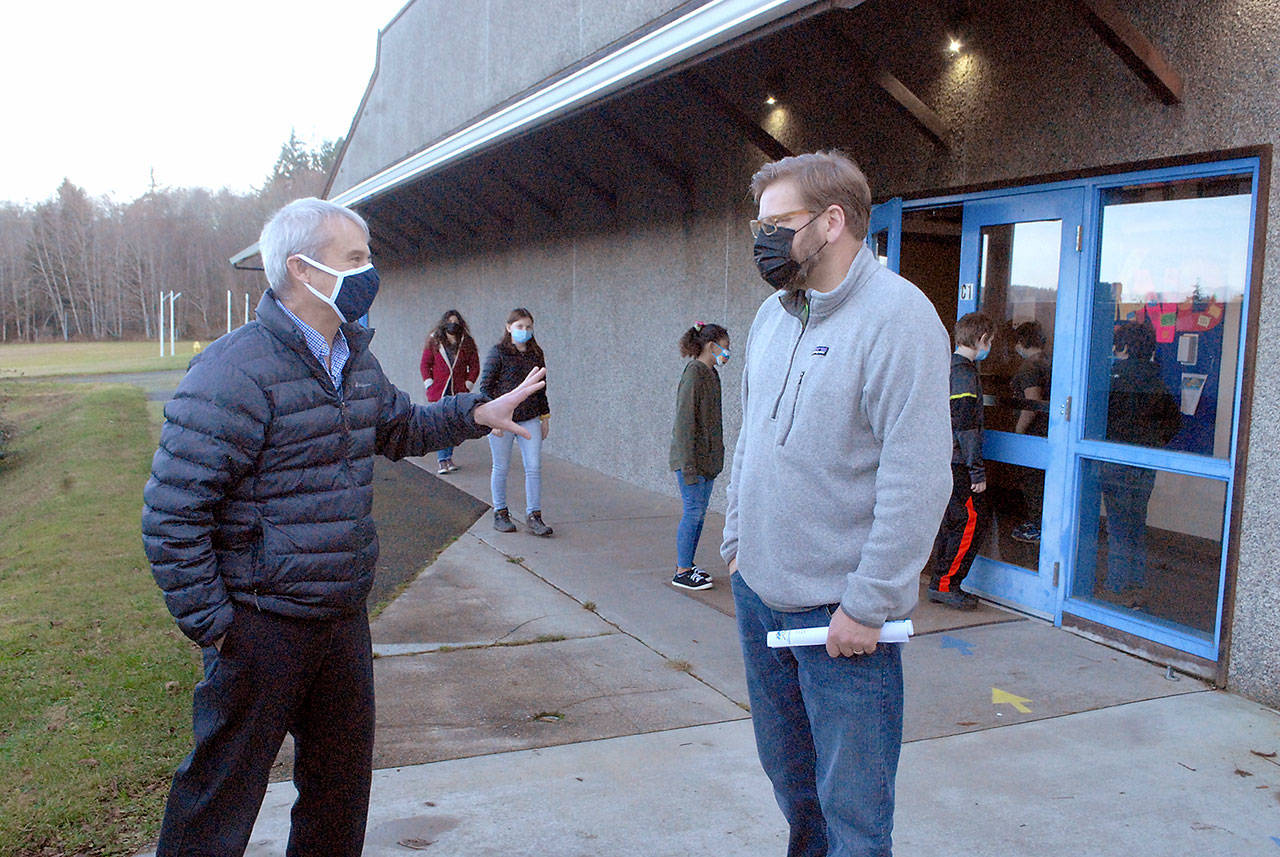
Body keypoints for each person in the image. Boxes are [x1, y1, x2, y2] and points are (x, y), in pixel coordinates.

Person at [140, 197, 545, 857]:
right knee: (219, 797)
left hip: (342, 618)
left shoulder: (354, 358)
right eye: (355, 258)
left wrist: (474, 412)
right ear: (303, 269)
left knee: (339, 794)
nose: (369, 272)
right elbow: (172, 512)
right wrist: (215, 624)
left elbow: (399, 426)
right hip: (260, 623)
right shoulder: (231, 371)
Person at [723, 150, 952, 857]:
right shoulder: (772, 316)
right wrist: (736, 542)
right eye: (758, 225)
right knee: (794, 789)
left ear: (831, 221)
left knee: (854, 814)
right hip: (760, 596)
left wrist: (869, 602)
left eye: (777, 223)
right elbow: (752, 438)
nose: (763, 239)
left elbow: (917, 479)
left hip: (840, 619)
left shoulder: (899, 318)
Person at [1099, 320, 1181, 606]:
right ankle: (1136, 584)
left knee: (1118, 526)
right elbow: (1173, 422)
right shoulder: (1157, 381)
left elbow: (1099, 418)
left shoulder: (1114, 379)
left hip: (1116, 461)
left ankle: (1116, 587)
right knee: (1136, 523)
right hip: (1145, 463)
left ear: (1123, 347)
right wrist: (1153, 443)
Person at [928, 311, 995, 610]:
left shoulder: (945, 366)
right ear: (982, 339)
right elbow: (966, 427)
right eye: (990, 341)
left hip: (945, 459)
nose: (989, 346)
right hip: (959, 464)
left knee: (953, 522)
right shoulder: (965, 374)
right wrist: (976, 472)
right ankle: (946, 584)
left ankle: (941, 582)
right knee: (967, 522)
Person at [479, 307, 553, 537]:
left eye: (528, 327)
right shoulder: (498, 353)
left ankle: (534, 515)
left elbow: (541, 388)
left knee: (533, 466)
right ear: (509, 327)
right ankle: (500, 512)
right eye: (520, 326)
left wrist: (545, 417)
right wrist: (492, 420)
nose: (524, 330)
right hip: (502, 419)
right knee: (501, 466)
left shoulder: (536, 354)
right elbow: (485, 387)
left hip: (529, 418)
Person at [668, 321, 729, 591]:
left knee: (699, 514)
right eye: (725, 347)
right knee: (693, 512)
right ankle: (682, 570)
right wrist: (688, 466)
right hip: (691, 462)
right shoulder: (694, 373)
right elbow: (684, 422)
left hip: (707, 461)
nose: (727, 353)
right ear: (711, 346)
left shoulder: (711, 373)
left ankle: (688, 565)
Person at [420, 308, 480, 474]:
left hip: (458, 390)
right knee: (441, 426)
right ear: (444, 324)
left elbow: (474, 366)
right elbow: (425, 364)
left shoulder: (466, 342)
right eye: (450, 322)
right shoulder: (434, 341)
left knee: (454, 426)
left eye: (456, 322)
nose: (453, 325)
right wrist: (429, 384)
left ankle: (449, 457)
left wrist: (467, 385)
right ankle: (442, 461)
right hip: (439, 391)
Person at [1009, 320, 1050, 544]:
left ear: (1022, 342)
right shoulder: (1048, 362)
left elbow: (1032, 402)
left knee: (1033, 483)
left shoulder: (1029, 368)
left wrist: (1019, 430)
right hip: (1046, 432)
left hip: (1033, 434)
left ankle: (1038, 526)